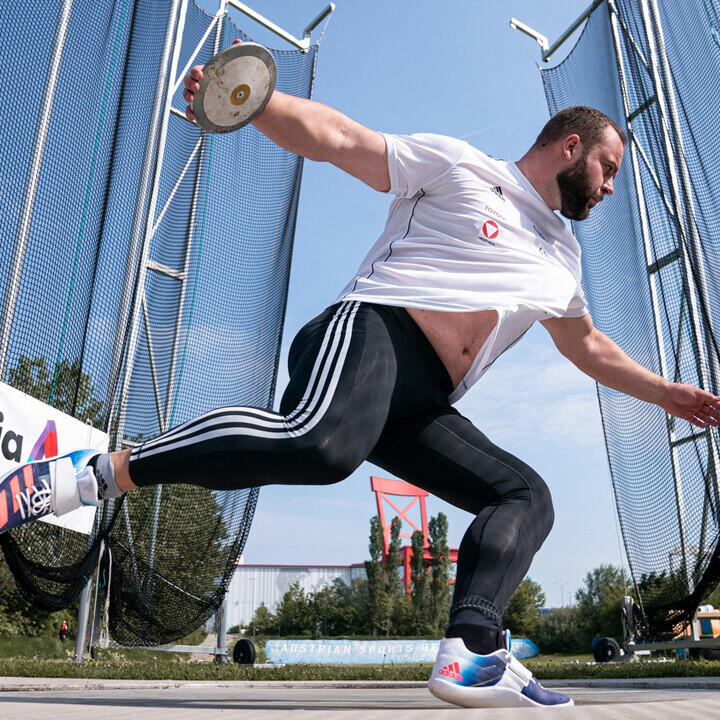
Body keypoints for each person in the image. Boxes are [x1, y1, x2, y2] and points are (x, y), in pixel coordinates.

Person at [2, 46, 719, 709]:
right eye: (609, 167)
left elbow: (587, 345)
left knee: (524, 495)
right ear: (571, 147)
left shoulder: (564, 257)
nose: (611, 185)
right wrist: (249, 100)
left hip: (422, 401)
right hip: (371, 334)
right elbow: (343, 139)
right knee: (321, 446)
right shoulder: (463, 168)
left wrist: (670, 394)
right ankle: (101, 471)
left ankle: (473, 648)